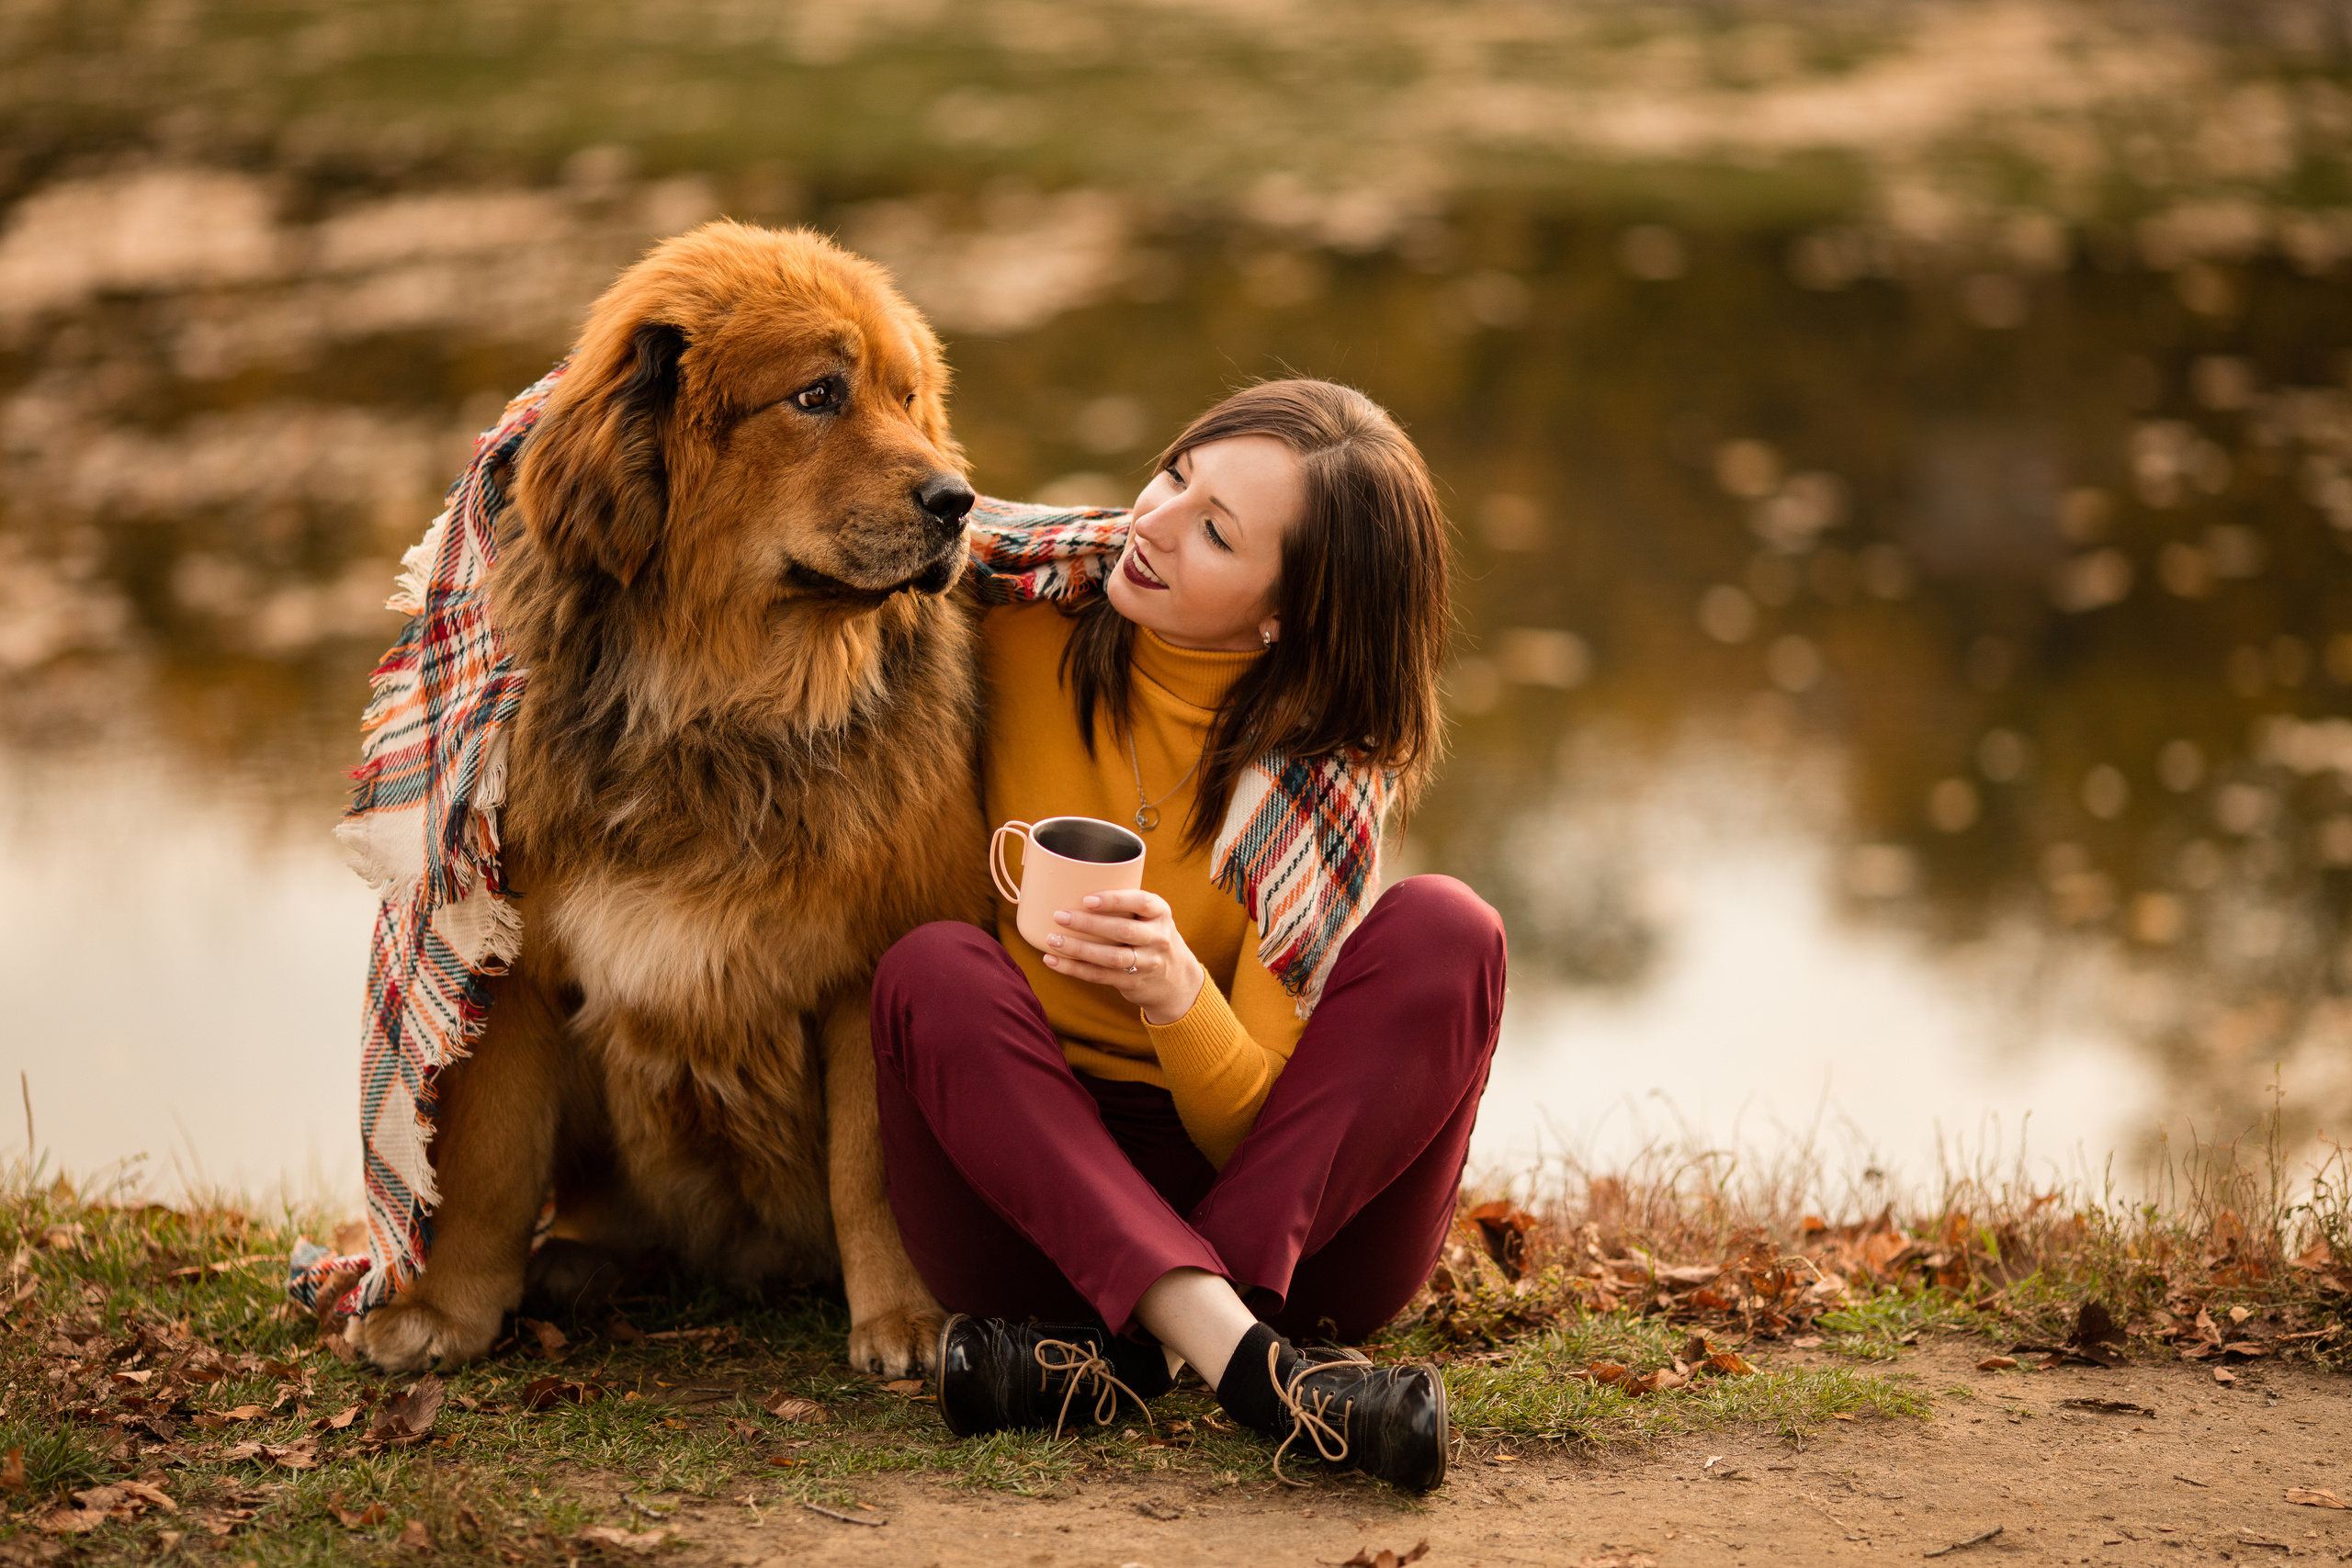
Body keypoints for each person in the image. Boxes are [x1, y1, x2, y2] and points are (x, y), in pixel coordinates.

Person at [868, 379, 1506, 1491]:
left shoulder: (1321, 777)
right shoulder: (1014, 614)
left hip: (1290, 1224)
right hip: (1034, 1186)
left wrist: (1176, 996)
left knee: (1451, 928)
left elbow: (1264, 1131)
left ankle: (1125, 1355)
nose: (1150, 524)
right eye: (1174, 475)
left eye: (1214, 532)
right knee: (933, 971)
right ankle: (1256, 1373)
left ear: (1287, 613)